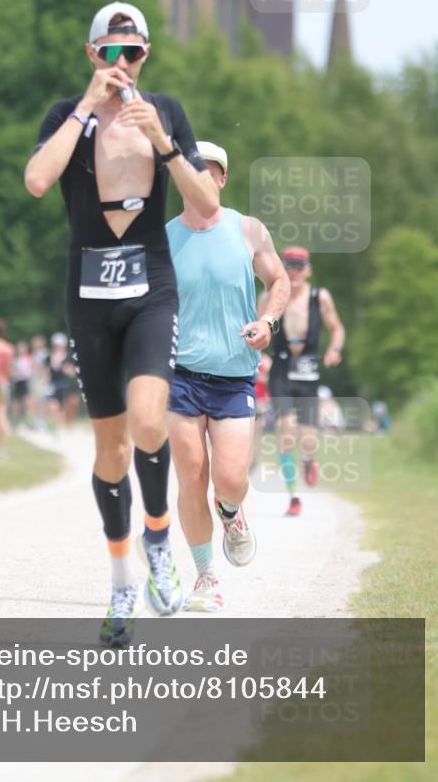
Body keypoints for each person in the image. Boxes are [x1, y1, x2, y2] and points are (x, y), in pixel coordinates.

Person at [25, 1, 218, 645]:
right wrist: (86, 104)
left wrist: (163, 143)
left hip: (150, 288)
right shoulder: (67, 116)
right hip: (88, 293)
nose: (122, 63)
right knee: (109, 450)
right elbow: (35, 181)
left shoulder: (166, 112)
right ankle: (120, 582)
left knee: (148, 419)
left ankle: (157, 536)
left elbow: (207, 202)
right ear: (91, 55)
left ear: (147, 54)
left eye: (132, 51)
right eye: (110, 51)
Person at [166, 142, 289, 612]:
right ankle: (205, 578)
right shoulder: (164, 238)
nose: (199, 179)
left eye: (209, 172)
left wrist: (269, 323)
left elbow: (279, 282)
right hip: (180, 376)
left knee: (231, 479)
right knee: (191, 476)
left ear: (221, 180)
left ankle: (233, 515)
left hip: (234, 377)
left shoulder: (248, 230)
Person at [260, 246, 345, 516]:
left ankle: (309, 458)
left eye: (299, 267)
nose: (293, 272)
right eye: (289, 266)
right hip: (281, 369)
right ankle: (294, 496)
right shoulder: (270, 297)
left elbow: (337, 328)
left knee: (308, 439)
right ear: (282, 268)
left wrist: (335, 349)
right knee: (285, 433)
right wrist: (262, 357)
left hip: (308, 371)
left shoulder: (320, 297)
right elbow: (256, 329)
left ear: (308, 270)